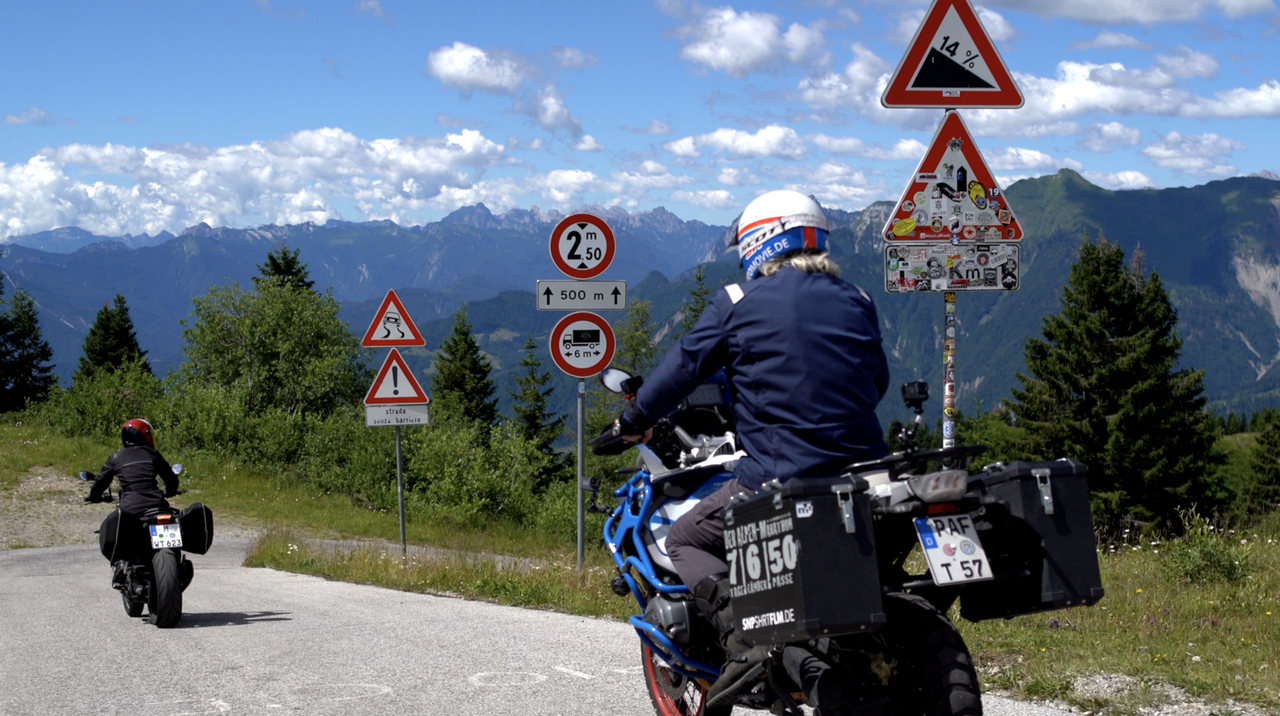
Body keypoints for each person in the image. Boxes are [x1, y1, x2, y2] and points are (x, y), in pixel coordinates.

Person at [614, 190, 889, 708]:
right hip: (864, 477)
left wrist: (633, 421)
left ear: (759, 242)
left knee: (685, 539)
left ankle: (745, 642)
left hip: (779, 475)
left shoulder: (738, 302)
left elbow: (680, 370)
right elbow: (875, 384)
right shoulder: (858, 298)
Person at [86, 418, 179, 516]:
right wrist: (170, 491)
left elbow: (101, 481)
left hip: (130, 505)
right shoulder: (153, 454)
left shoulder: (116, 456)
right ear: (145, 435)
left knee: (113, 528)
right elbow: (171, 479)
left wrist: (94, 496)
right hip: (157, 503)